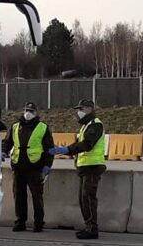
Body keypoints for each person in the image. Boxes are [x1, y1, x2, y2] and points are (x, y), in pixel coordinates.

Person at [48, 99, 105, 240]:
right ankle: (88, 227)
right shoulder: (86, 126)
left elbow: (86, 145)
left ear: (89, 109)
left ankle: (92, 229)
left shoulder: (95, 125)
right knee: (83, 199)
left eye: (81, 109)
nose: (78, 112)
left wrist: (67, 149)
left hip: (92, 167)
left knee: (88, 199)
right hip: (85, 168)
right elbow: (79, 144)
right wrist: (66, 150)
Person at [2, 102, 54, 232]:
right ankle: (20, 222)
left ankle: (38, 223)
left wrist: (47, 165)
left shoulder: (43, 128)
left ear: (36, 113)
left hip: (35, 168)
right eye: (26, 110)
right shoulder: (15, 127)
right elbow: (7, 142)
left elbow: (49, 149)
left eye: (31, 111)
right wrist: (3, 151)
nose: (28, 113)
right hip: (18, 168)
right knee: (19, 197)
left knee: (37, 197)